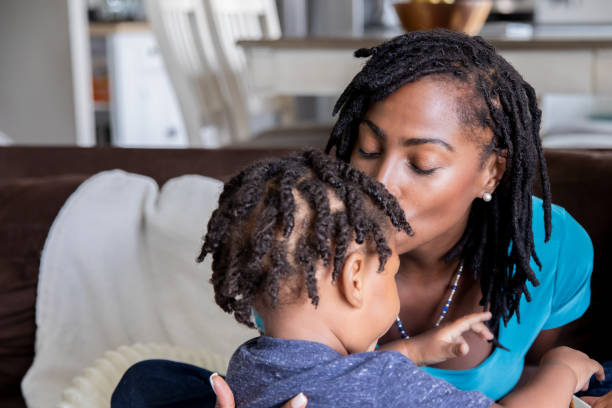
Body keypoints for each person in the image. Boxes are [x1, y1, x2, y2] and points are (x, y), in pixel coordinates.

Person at [114, 29, 608, 406]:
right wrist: (560, 373)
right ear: (354, 278)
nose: (380, 183)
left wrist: (419, 353)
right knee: (157, 383)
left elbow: (355, 376)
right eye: (366, 149)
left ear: (491, 172)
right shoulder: (318, 233)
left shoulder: (550, 247)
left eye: (422, 164)